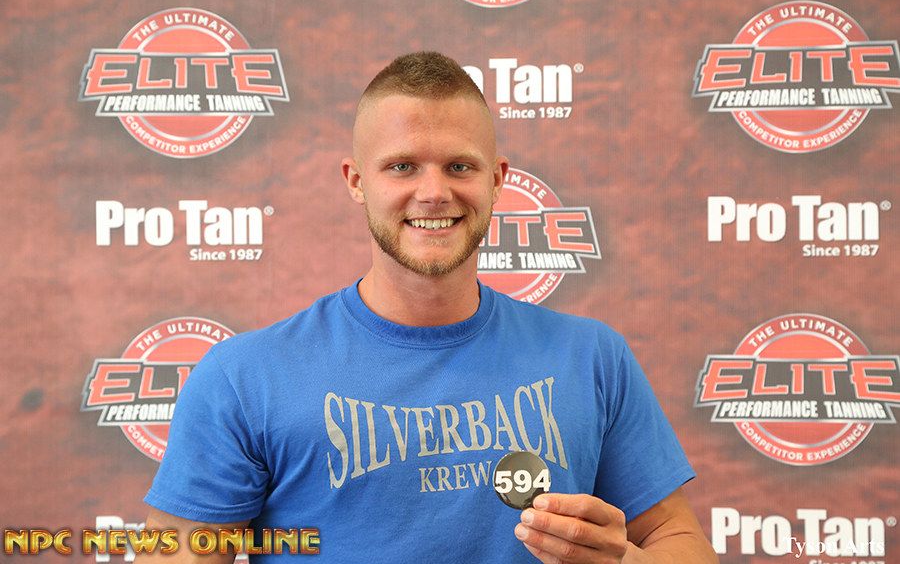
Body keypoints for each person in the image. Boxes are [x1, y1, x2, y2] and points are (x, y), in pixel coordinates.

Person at [138, 52, 717, 563]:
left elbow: (678, 538)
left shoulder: (591, 358)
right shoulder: (246, 378)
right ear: (356, 181)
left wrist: (624, 563)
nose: (434, 192)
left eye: (460, 166)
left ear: (497, 180)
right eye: (402, 166)